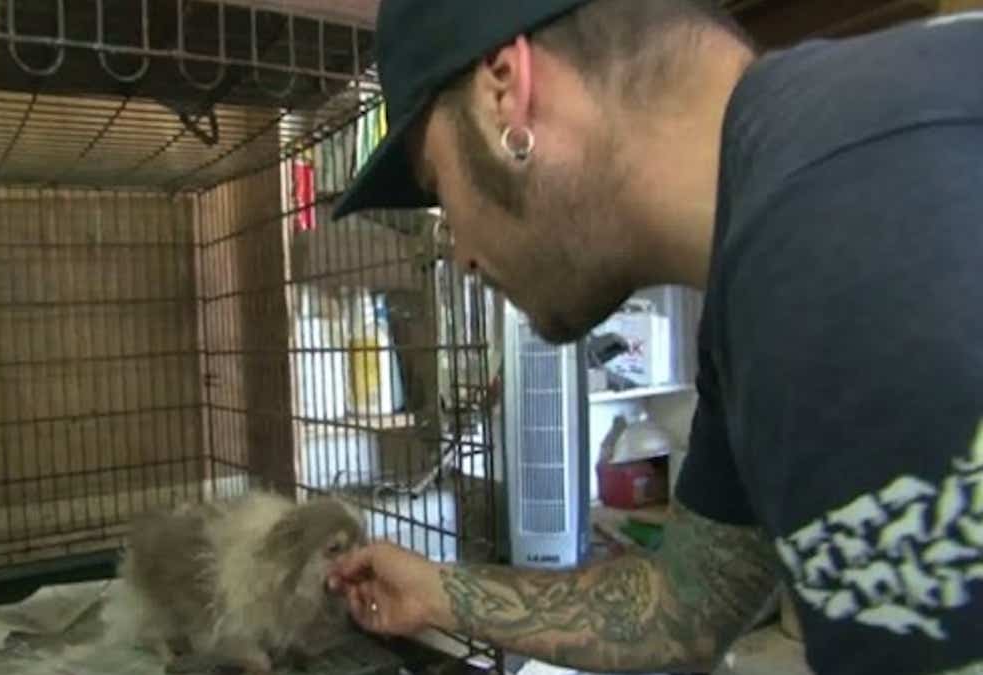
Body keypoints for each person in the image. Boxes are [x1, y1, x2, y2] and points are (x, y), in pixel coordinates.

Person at [326, 0, 983, 673]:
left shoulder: (833, 235)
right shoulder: (764, 257)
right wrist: (440, 591)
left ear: (505, 97)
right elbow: (685, 602)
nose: (459, 249)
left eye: (440, 186)